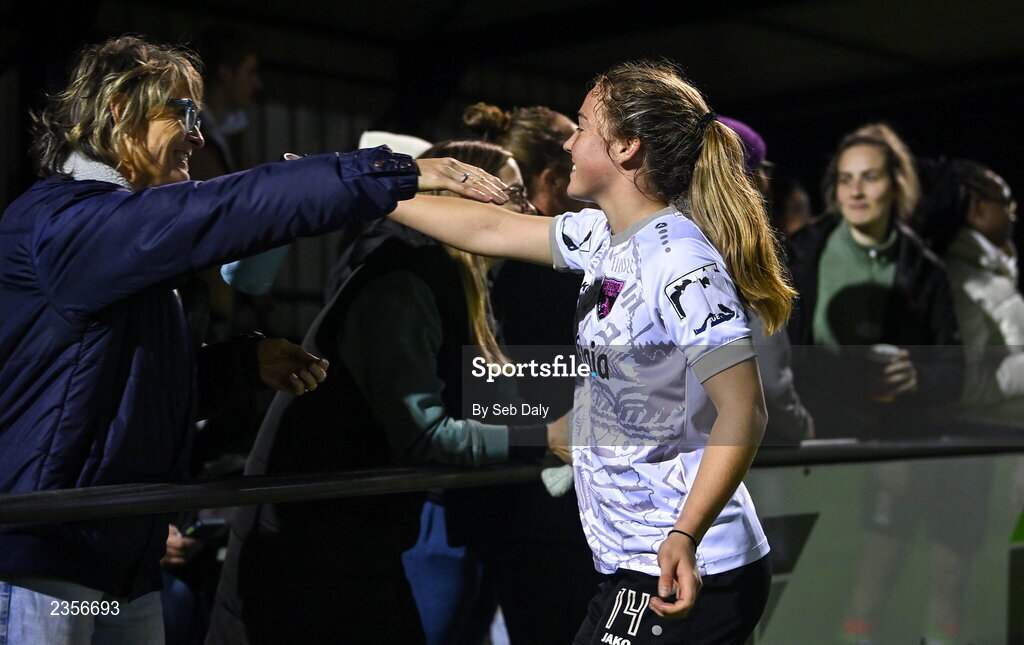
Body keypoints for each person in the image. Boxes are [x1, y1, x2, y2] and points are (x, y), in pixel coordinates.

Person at [0, 35, 508, 644]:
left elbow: (124, 390)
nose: (197, 133)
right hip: (45, 568)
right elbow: (226, 208)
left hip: (115, 565)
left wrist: (239, 365)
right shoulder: (65, 225)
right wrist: (394, 171)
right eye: (184, 112)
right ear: (117, 108)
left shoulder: (113, 238)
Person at [390, 59, 795, 644]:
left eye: (582, 126)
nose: (569, 141)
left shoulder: (682, 263)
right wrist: (368, 192)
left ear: (628, 147)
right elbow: (488, 230)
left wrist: (684, 534)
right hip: (636, 559)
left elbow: (744, 410)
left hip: (684, 563)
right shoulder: (604, 237)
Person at [205, 140, 566, 645]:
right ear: (461, 198)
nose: (528, 209)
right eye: (510, 193)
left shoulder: (457, 285)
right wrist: (545, 435)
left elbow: (477, 396)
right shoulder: (404, 284)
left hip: (358, 545)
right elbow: (425, 436)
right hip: (308, 555)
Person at [785, 123, 963, 439]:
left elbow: (953, 370)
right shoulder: (798, 254)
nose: (855, 192)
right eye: (846, 179)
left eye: (870, 177)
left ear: (896, 185)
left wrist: (918, 377)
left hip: (888, 441)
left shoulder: (925, 270)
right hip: (815, 436)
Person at [914, 158, 1024, 427]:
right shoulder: (962, 283)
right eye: (1007, 204)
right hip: (987, 444)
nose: (1012, 215)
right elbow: (962, 384)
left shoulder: (988, 273)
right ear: (977, 207)